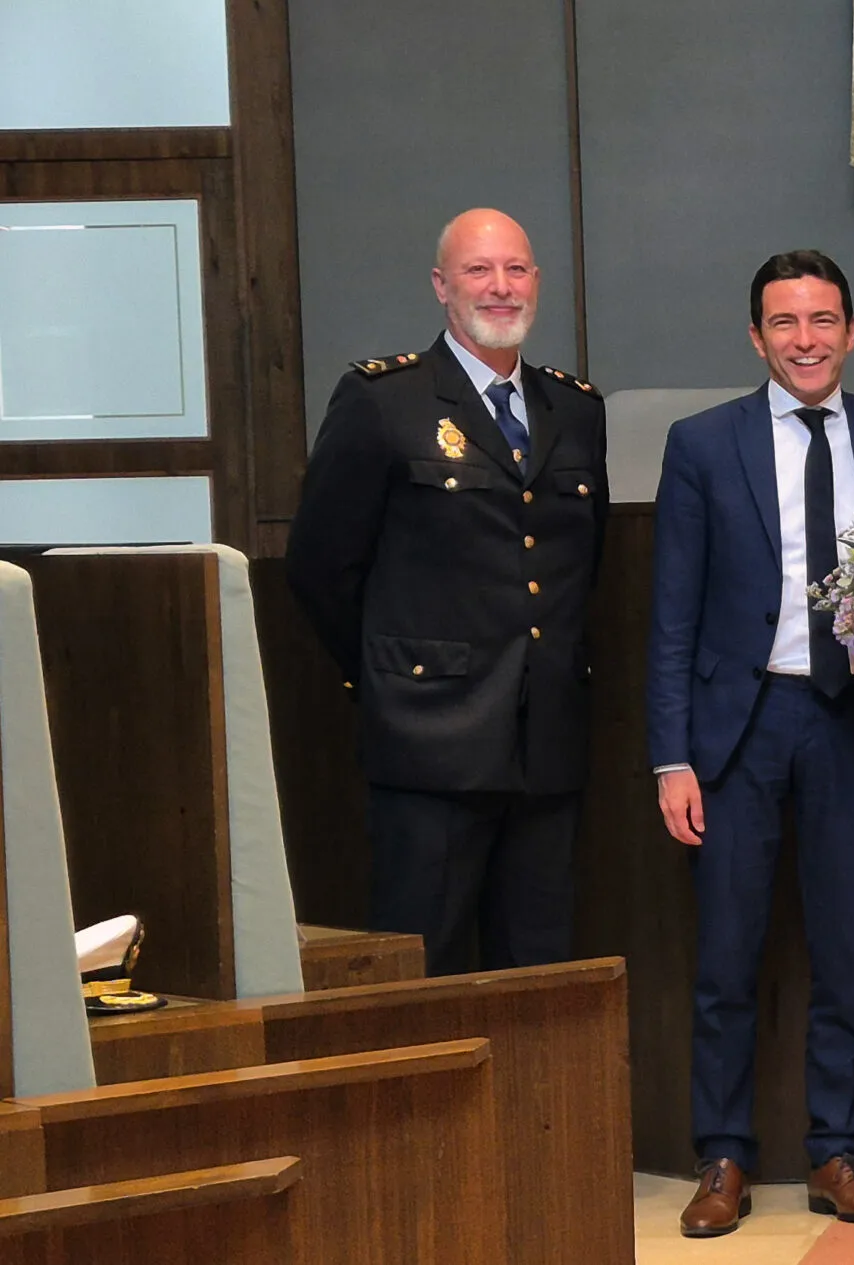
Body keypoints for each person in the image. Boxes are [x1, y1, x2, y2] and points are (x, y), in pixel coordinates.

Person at [645, 250, 854, 1238]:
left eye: (822, 320)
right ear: (756, 336)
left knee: (845, 949)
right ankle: (721, 1154)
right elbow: (671, 610)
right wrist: (670, 755)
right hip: (740, 726)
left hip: (851, 716)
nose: (805, 339)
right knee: (726, 954)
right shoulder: (702, 442)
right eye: (784, 322)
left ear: (850, 331)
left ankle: (838, 1150)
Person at [286, 208, 607, 978]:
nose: (500, 287)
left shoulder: (578, 409)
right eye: (478, 270)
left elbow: (585, 564)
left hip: (546, 751)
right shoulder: (382, 400)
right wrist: (394, 676)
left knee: (539, 983)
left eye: (517, 269)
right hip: (428, 746)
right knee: (419, 983)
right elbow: (320, 565)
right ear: (441, 286)